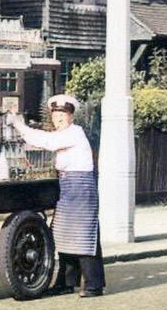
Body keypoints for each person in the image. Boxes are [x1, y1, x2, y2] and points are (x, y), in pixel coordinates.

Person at [6, 94, 105, 298]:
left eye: (62, 115)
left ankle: (94, 284)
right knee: (63, 233)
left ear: (71, 117)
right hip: (68, 185)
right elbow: (43, 141)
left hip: (81, 187)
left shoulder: (74, 133)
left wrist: (19, 125)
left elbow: (47, 142)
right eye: (55, 115)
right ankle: (66, 282)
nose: (58, 119)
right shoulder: (64, 134)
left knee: (84, 235)